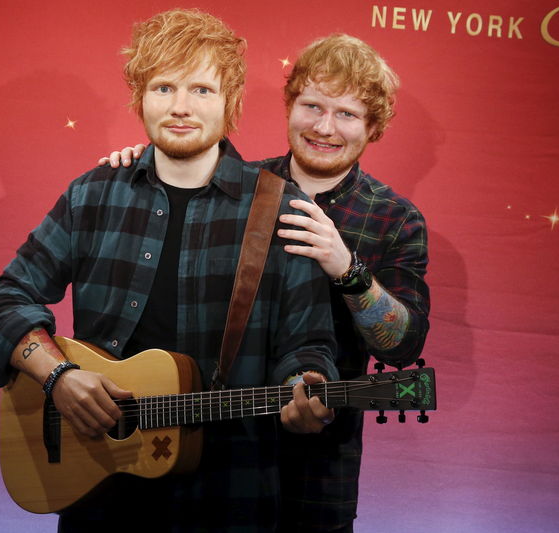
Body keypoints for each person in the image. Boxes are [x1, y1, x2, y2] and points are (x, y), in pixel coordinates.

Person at [0, 9, 339, 532]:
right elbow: (7, 298)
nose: (179, 107)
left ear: (230, 102)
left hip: (228, 493)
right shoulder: (94, 193)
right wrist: (57, 375)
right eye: (163, 87)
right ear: (140, 98)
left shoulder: (281, 209)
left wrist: (308, 386)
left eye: (201, 90)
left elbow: (309, 344)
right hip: (99, 491)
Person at [103, 33, 430, 532]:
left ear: (373, 127)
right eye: (312, 105)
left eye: (346, 114)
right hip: (210, 456)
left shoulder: (395, 219)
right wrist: (148, 163)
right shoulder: (236, 186)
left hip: (320, 468)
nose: (324, 127)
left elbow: (404, 346)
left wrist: (347, 267)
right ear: (290, 105)